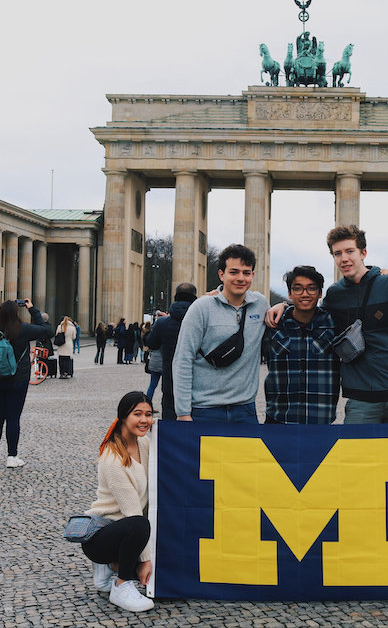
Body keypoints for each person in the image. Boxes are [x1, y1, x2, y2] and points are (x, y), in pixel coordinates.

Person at [319, 225, 388, 423]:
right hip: (361, 399)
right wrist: (284, 306)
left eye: (349, 251)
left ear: (363, 253)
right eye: (337, 253)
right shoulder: (334, 294)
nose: (344, 258)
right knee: (356, 455)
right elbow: (311, 315)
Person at [174, 244, 269, 423]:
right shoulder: (201, 308)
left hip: (245, 410)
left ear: (253, 276)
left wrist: (283, 305)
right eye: (234, 272)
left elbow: (288, 315)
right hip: (204, 409)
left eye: (246, 273)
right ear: (221, 274)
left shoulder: (261, 304)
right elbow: (183, 359)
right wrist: (183, 411)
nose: (241, 278)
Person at [80, 391, 156, 613]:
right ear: (124, 416)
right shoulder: (113, 458)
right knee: (140, 525)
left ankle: (110, 566)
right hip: (101, 535)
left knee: (142, 526)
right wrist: (145, 561)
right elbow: (133, 514)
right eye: (138, 414)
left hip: (123, 530)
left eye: (149, 414)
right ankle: (122, 585)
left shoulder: (145, 444)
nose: (144, 420)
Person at [263, 265, 339, 425]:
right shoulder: (272, 324)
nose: (305, 294)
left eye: (311, 289)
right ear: (289, 293)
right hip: (279, 418)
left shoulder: (334, 324)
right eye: (298, 289)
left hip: (320, 419)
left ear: (320, 293)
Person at [0, 299, 51, 468]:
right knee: (13, 418)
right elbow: (46, 330)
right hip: (18, 379)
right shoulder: (23, 329)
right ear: (16, 313)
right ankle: (12, 457)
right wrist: (32, 309)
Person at [145, 283, 198, 421]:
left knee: (170, 426)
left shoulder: (163, 323)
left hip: (170, 380)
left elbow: (151, 343)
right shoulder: (201, 321)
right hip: (197, 383)